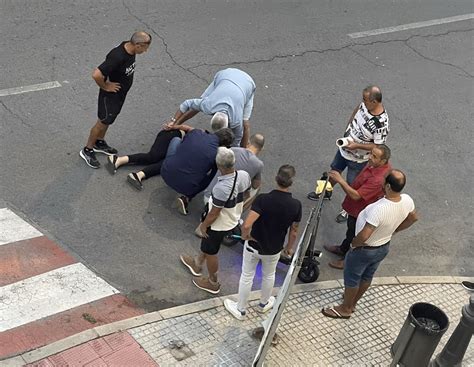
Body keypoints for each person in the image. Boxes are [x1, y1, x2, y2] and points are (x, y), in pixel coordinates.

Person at [322, 169, 418, 319]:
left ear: (387, 186)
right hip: (383, 246)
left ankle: (345, 308)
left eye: (384, 179)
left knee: (352, 278)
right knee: (367, 276)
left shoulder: (379, 209)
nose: (381, 179)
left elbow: (365, 234)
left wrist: (354, 244)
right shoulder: (407, 200)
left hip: (365, 249)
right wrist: (393, 230)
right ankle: (352, 303)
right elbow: (413, 218)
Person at [223, 165, 302, 320]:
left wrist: (246, 236)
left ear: (276, 178)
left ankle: (240, 309)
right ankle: (263, 304)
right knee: (269, 275)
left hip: (254, 245)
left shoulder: (263, 199)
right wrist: (289, 248)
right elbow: (294, 231)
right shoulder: (296, 205)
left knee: (247, 275)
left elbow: (247, 224)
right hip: (274, 248)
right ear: (292, 182)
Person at [307, 86, 389, 223]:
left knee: (352, 185)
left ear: (374, 101)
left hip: (358, 159)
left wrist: (357, 145)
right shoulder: (365, 106)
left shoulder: (381, 124)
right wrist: (348, 129)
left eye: (365, 99)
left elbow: (378, 146)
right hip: (344, 148)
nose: (362, 101)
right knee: (334, 171)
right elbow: (356, 111)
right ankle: (325, 191)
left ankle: (347, 210)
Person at [180, 148, 251, 294]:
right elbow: (247, 195)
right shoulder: (244, 175)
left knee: (211, 251)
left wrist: (204, 226)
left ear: (219, 166)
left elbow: (214, 213)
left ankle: (213, 282)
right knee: (207, 247)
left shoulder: (221, 188)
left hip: (218, 225)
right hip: (232, 219)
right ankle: (197, 264)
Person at [80, 31, 152, 168]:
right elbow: (96, 75)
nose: (146, 51)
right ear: (137, 45)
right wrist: (106, 86)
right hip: (110, 96)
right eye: (145, 47)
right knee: (102, 121)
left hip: (120, 94)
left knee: (110, 119)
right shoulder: (117, 56)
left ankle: (99, 142)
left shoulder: (130, 49)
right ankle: (87, 150)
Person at [105, 117, 229, 190]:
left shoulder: (203, 136)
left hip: (175, 141)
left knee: (167, 160)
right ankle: (119, 160)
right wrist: (173, 127)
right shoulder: (204, 137)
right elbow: (186, 128)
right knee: (154, 157)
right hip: (172, 136)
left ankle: (139, 174)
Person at [324, 145, 392, 270]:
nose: (370, 157)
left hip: (360, 212)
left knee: (354, 236)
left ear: (383, 161)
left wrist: (340, 180)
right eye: (371, 153)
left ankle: (347, 261)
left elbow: (356, 196)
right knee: (350, 232)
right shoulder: (375, 165)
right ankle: (343, 249)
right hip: (355, 208)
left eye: (374, 156)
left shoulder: (377, 179)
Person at [165, 68, 256, 147]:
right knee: (198, 105)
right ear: (213, 114)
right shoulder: (208, 105)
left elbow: (237, 140)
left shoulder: (236, 121)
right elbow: (186, 104)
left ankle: (245, 151)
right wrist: (173, 121)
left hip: (248, 84)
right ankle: (176, 125)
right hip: (225, 76)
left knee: (245, 124)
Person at [160, 128, 234, 215]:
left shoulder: (196, 132)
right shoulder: (216, 155)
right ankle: (187, 197)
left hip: (165, 171)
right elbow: (212, 175)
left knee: (176, 140)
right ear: (224, 145)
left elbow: (183, 144)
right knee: (211, 177)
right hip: (186, 188)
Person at [203, 133, 265, 208]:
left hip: (208, 197)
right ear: (261, 149)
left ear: (248, 142)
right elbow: (255, 185)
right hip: (226, 207)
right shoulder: (259, 164)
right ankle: (237, 213)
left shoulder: (232, 150)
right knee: (257, 187)